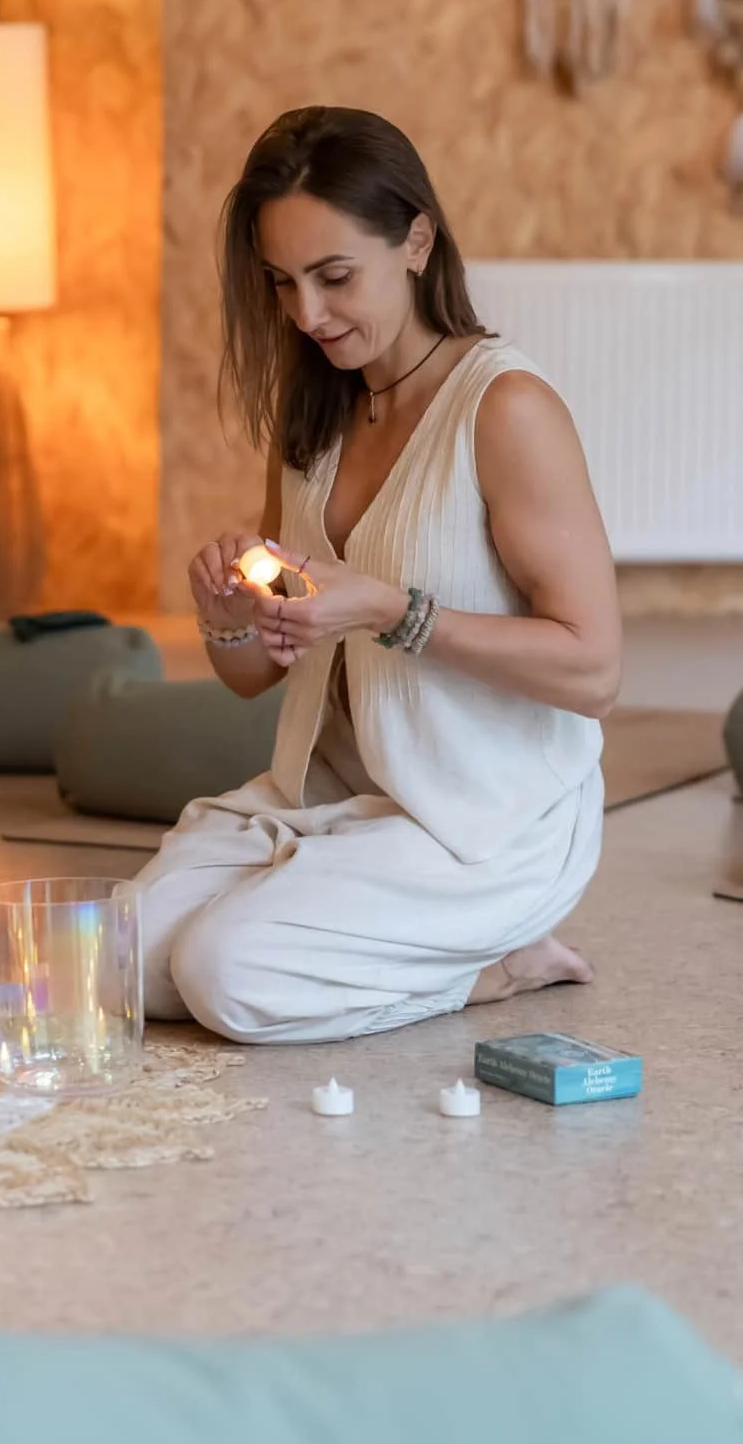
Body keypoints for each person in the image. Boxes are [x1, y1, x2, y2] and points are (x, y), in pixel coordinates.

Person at [136, 107, 622, 1044]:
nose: (306, 315)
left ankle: (494, 965)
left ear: (416, 241)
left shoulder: (506, 409)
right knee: (125, 964)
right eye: (283, 283)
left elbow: (595, 671)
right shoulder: (316, 416)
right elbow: (261, 668)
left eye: (333, 276)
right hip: (325, 799)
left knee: (224, 976)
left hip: (482, 824)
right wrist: (230, 615)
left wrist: (395, 612)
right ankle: (363, 926)